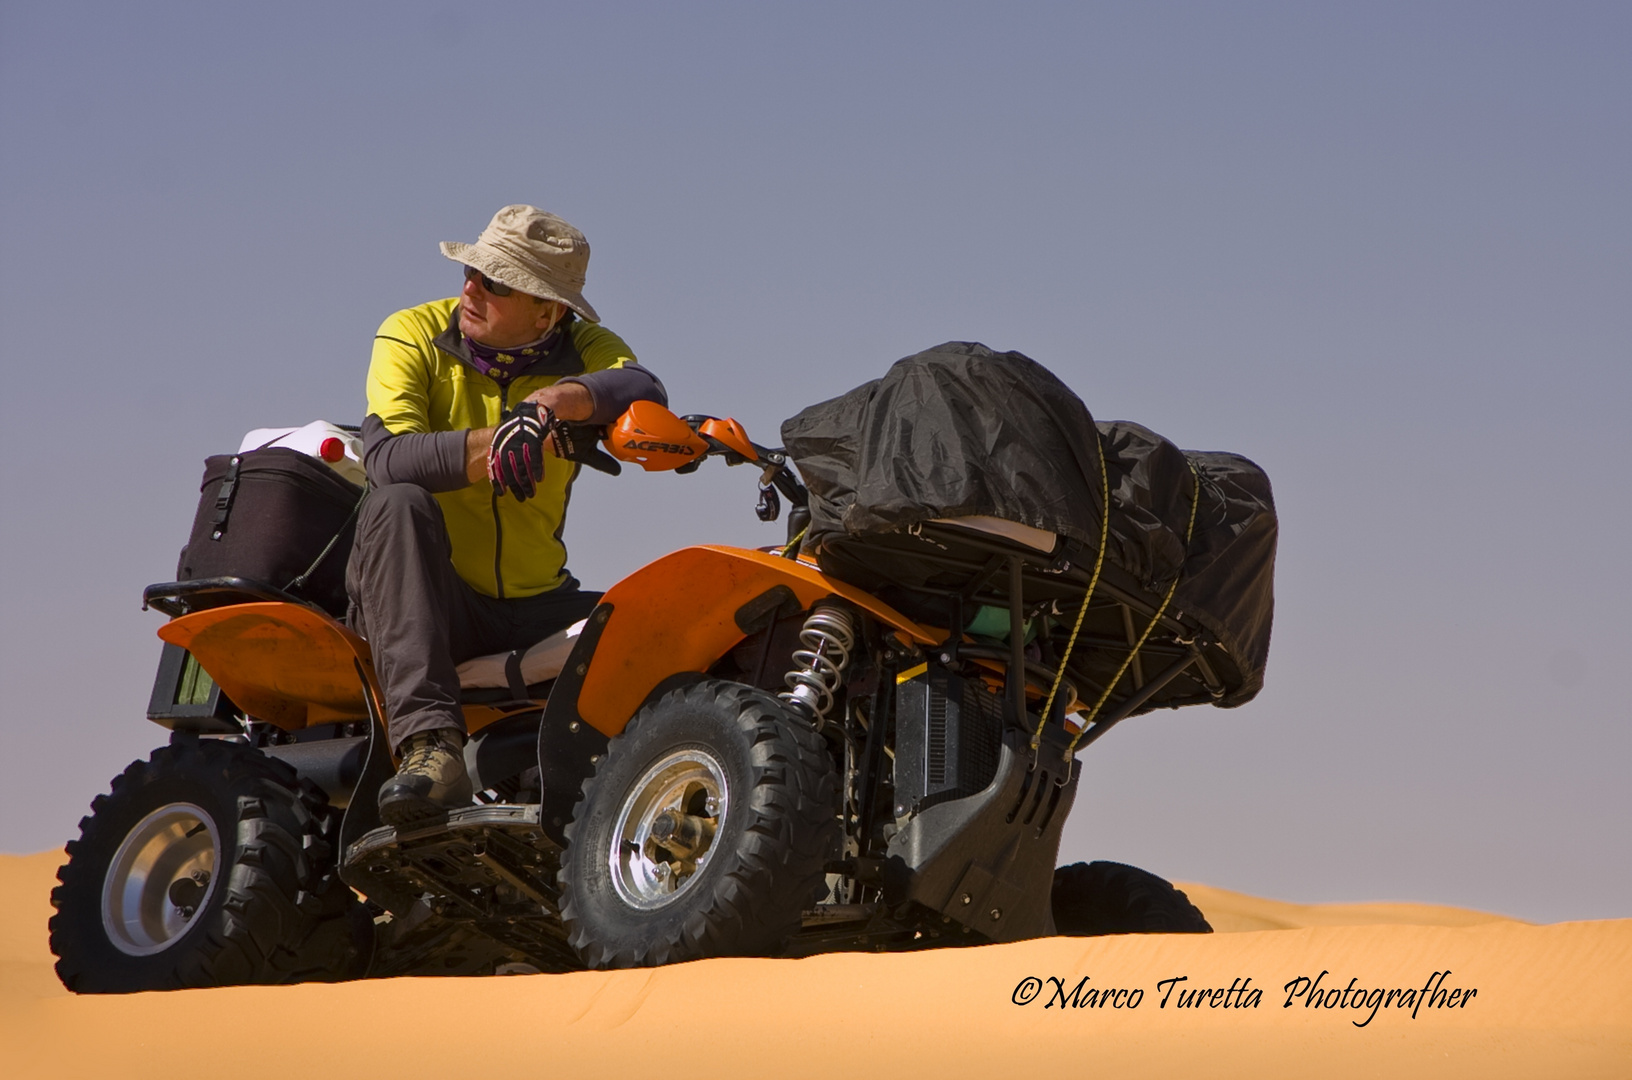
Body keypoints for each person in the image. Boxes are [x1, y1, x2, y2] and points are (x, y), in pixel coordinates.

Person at [348, 204, 666, 827]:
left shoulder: (584, 348)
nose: (470, 287)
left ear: (549, 311)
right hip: (434, 604)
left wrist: (548, 405)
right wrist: (496, 442)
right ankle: (428, 747)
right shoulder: (410, 332)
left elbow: (642, 387)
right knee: (396, 501)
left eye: (496, 281)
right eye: (471, 270)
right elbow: (386, 459)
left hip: (533, 605)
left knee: (658, 618)